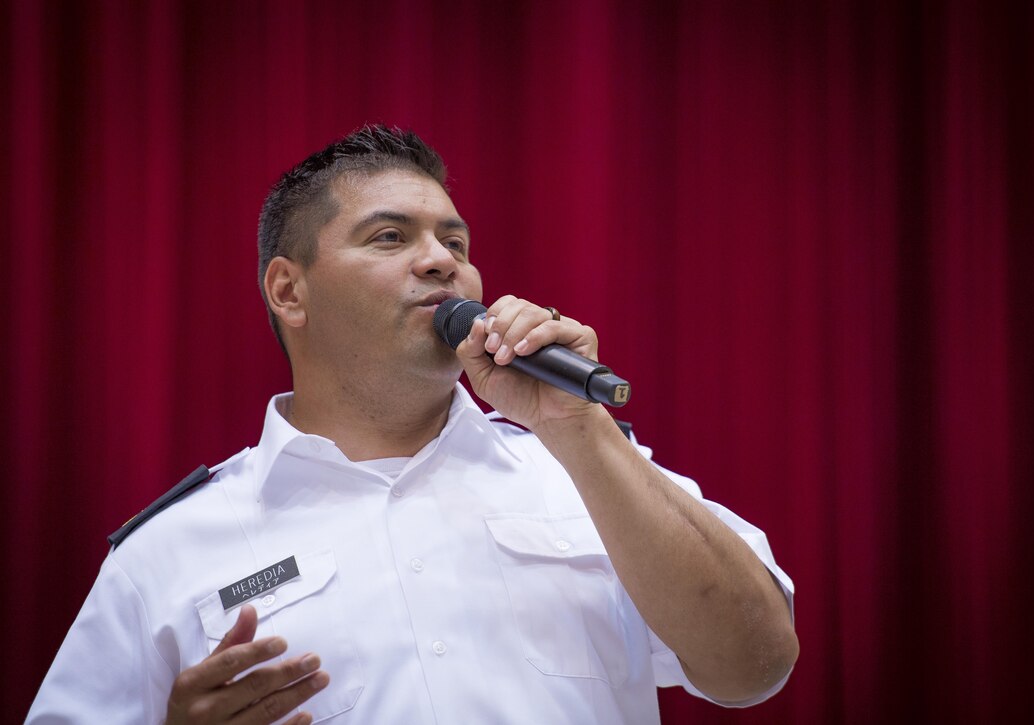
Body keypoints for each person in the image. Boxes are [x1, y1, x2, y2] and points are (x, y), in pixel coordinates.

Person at [28, 126, 798, 724]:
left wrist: (580, 429)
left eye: (454, 242)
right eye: (391, 237)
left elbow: (756, 664)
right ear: (289, 291)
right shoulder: (165, 553)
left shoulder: (584, 468)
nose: (443, 263)